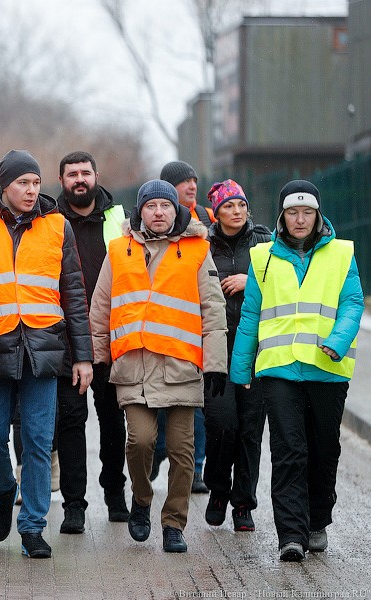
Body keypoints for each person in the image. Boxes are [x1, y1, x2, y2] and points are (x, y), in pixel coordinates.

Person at [0, 150, 93, 559]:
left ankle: (32, 526)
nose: (32, 191)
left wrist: (82, 356)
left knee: (37, 441)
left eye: (36, 183)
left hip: (44, 349)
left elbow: (74, 294)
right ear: (4, 186)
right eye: (23, 184)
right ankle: (2, 489)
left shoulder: (57, 227)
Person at [89, 179, 227, 553]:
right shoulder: (118, 250)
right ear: (140, 211)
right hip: (133, 367)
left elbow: (213, 311)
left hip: (182, 368)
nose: (159, 212)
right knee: (140, 441)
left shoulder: (198, 250)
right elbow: (101, 307)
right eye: (151, 207)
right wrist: (100, 360)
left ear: (176, 210)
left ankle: (173, 524)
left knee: (183, 454)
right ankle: (142, 499)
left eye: (165, 206)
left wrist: (215, 363)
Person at [230, 180, 362, 562]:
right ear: (282, 217)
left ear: (317, 215)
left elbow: (353, 303)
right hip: (279, 368)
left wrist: (337, 342)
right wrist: (241, 369)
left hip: (327, 367)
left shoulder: (341, 254)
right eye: (292, 212)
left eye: (307, 212)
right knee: (288, 449)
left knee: (324, 450)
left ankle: (317, 519)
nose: (300, 219)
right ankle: (290, 533)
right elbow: (251, 314)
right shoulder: (263, 258)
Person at [53, 151, 130, 532]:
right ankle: (74, 505)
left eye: (85, 173)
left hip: (110, 333)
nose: (79, 180)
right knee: (70, 421)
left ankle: (115, 493)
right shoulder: (50, 221)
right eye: (72, 174)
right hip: (66, 337)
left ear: (96, 176)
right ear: (62, 180)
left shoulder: (119, 219)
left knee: (114, 421)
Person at [202, 180, 271, 532]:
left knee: (250, 430)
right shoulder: (202, 244)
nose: (237, 211)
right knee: (222, 425)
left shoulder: (265, 242)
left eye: (242, 204)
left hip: (255, 351)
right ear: (216, 211)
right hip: (215, 351)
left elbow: (285, 284)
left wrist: (251, 281)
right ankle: (217, 490)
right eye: (229, 206)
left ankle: (243, 503)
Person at [153, 159, 213, 493]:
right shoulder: (151, 222)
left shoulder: (205, 218)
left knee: (194, 406)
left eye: (193, 180)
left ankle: (196, 469)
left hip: (192, 329)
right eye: (183, 182)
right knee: (159, 403)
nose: (191, 186)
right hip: (158, 328)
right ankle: (158, 452)